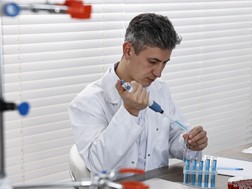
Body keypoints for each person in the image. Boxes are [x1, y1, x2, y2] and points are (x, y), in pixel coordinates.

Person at [68, 13, 208, 175]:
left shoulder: (159, 89)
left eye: (164, 63)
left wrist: (189, 143)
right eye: (153, 62)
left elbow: (173, 136)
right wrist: (130, 111)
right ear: (128, 50)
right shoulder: (87, 101)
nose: (158, 73)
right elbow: (98, 163)